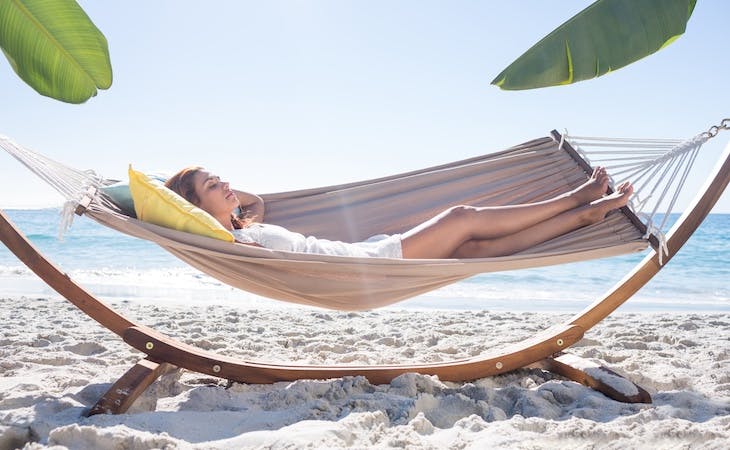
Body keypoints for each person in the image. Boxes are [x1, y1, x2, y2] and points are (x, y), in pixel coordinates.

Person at [165, 166, 633, 259]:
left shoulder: (248, 225)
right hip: (364, 267)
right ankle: (577, 199)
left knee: (474, 248)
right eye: (214, 185)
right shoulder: (232, 242)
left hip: (363, 254)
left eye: (222, 178)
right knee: (462, 216)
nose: (227, 185)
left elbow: (259, 203)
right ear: (195, 206)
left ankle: (580, 218)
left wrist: (223, 194)